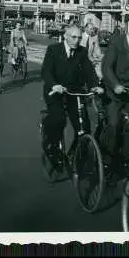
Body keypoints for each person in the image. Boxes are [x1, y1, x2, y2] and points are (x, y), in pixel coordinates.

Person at [40, 24, 103, 165]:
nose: (77, 40)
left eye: (79, 38)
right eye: (74, 37)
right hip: (55, 92)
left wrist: (95, 86)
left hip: (74, 93)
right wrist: (54, 85)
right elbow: (46, 71)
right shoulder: (53, 49)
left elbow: (89, 71)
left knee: (84, 127)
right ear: (65, 36)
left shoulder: (81, 51)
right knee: (59, 119)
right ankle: (52, 147)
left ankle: (74, 156)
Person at [101, 17, 129, 172]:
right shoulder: (117, 42)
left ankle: (127, 159)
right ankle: (107, 162)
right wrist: (115, 85)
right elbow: (106, 67)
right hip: (115, 92)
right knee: (114, 125)